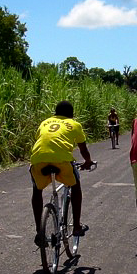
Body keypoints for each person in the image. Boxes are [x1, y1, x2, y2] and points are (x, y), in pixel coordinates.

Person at [30, 100, 95, 247]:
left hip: (38, 160)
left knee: (37, 190)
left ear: (55, 113)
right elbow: (83, 149)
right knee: (76, 186)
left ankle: (39, 231)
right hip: (62, 162)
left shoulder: (45, 122)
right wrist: (88, 161)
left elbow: (42, 140)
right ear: (72, 114)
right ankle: (77, 226)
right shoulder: (74, 124)